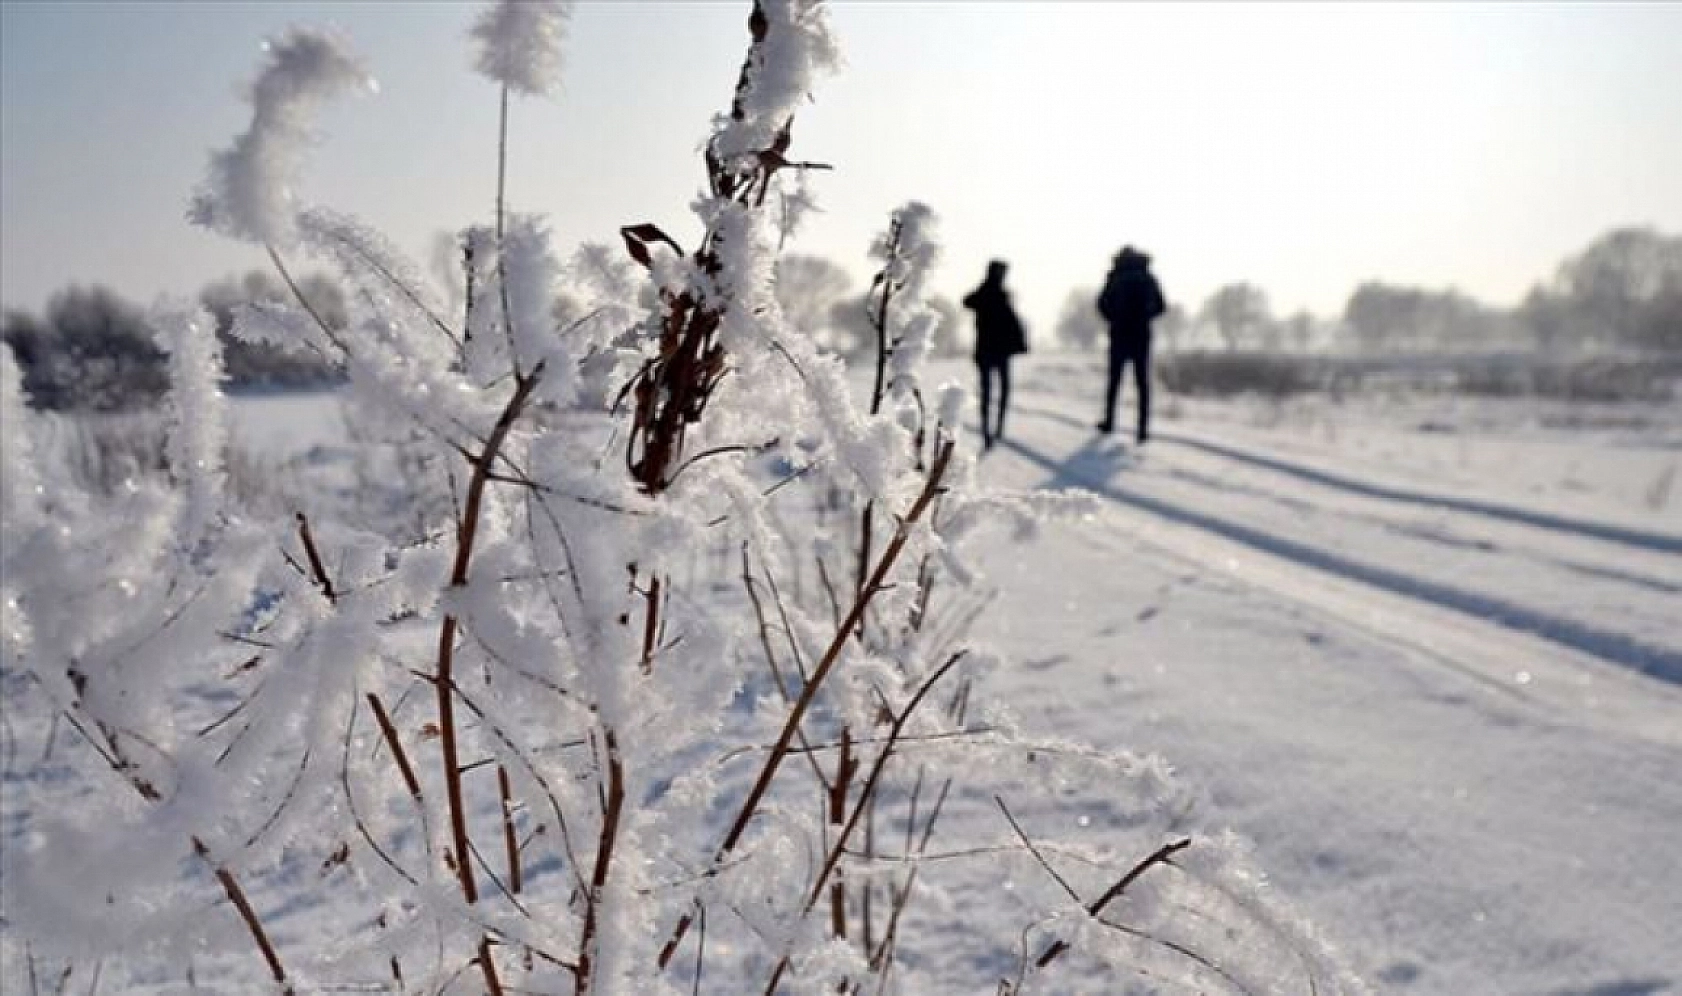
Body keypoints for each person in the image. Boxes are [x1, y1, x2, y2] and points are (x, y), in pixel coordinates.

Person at [1096, 246, 1165, 443]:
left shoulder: (1116, 276)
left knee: (1114, 381)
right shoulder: (1148, 277)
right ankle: (1142, 429)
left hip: (1119, 334)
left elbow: (1102, 304)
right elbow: (1161, 305)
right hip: (1142, 335)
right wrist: (1145, 317)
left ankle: (1109, 422)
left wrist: (1114, 318)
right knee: (1142, 383)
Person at [962, 260, 1027, 449]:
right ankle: (990, 431)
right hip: (992, 351)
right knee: (992, 392)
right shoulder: (992, 293)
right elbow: (967, 301)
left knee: (991, 392)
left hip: (992, 351)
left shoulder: (995, 293)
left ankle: (992, 430)